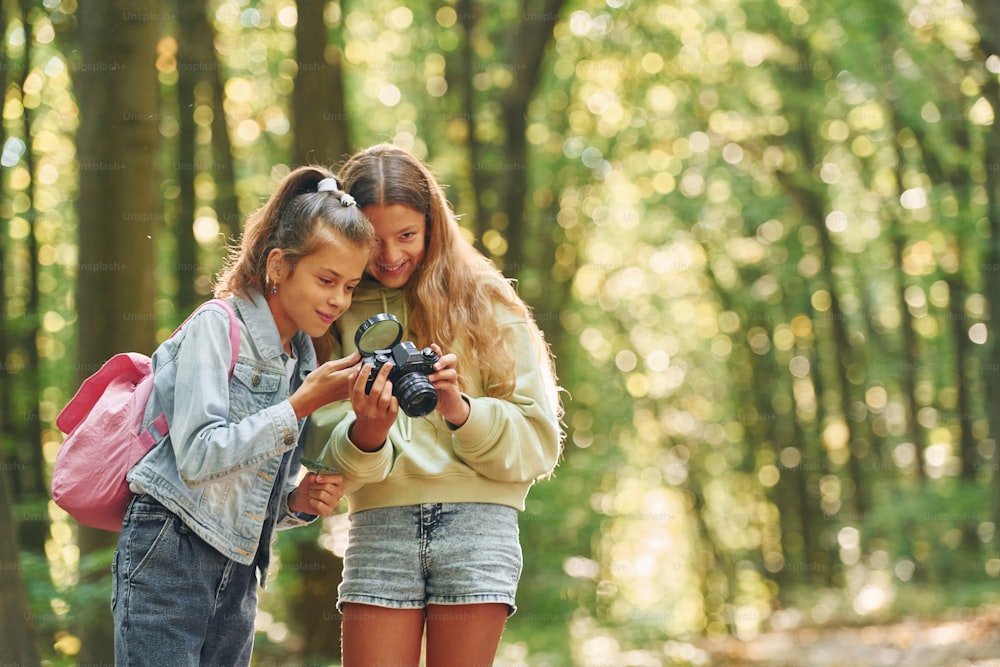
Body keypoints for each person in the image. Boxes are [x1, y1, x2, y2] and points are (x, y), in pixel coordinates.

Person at [305, 143, 564, 666]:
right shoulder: (334, 304)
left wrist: (460, 411)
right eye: (375, 240)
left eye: (407, 236)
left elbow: (539, 442)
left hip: (479, 524)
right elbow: (313, 447)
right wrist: (367, 434)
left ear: (433, 226)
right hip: (379, 522)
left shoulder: (486, 302)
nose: (391, 256)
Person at [112, 166, 375, 666]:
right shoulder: (218, 325)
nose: (338, 300)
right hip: (170, 552)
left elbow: (243, 492)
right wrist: (301, 404)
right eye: (326, 280)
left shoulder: (302, 359)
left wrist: (296, 500)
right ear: (278, 266)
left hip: (240, 569)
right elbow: (197, 456)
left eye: (349, 286)